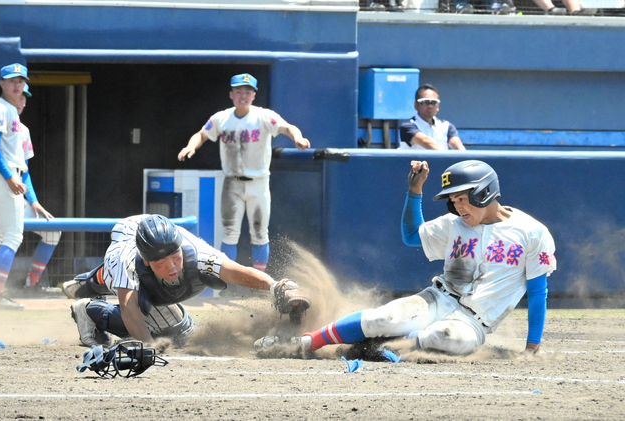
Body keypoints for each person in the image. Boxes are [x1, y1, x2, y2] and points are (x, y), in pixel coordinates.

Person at [255, 160, 556, 357]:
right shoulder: (456, 225)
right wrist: (415, 191)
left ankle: (376, 346)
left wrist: (532, 347)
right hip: (437, 299)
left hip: (474, 323)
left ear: (485, 193)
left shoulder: (531, 232)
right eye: (453, 200)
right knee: (381, 317)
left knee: (443, 337)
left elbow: (537, 291)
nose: (457, 206)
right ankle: (306, 343)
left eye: (462, 198)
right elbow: (412, 236)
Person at [62, 214, 310, 347]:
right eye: (161, 262)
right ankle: (86, 305)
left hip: (149, 240)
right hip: (127, 238)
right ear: (147, 261)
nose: (171, 266)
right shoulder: (125, 258)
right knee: (157, 325)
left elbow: (234, 271)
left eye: (175, 257)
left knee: (179, 331)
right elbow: (128, 307)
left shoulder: (196, 251)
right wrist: (149, 347)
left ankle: (85, 287)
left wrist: (274, 286)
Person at [178, 73, 310, 273]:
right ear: (231, 94)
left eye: (247, 92)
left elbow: (288, 127)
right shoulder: (222, 118)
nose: (243, 96)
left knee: (259, 233)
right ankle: (227, 279)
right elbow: (202, 134)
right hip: (232, 183)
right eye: (238, 92)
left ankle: (259, 282)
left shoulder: (264, 116)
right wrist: (191, 147)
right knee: (230, 233)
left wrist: (298, 139)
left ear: (254, 96)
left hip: (258, 182)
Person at [0, 63, 32, 309]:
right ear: (1, 83)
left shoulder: (9, 109)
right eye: (12, 80)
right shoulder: (0, 108)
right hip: (4, 176)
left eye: (20, 81)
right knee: (12, 236)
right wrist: (9, 177)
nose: (17, 85)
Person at [15, 84, 62, 290]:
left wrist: (33, 201)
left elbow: (24, 172)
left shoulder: (24, 131)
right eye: (19, 95)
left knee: (53, 232)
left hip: (14, 197)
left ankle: (30, 286)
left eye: (25, 97)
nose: (22, 101)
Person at [399, 84, 466, 151]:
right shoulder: (408, 126)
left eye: (434, 102)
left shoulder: (447, 126)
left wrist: (466, 158)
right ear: (416, 105)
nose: (430, 106)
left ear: (438, 106)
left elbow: (458, 145)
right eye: (425, 102)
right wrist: (446, 157)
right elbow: (426, 142)